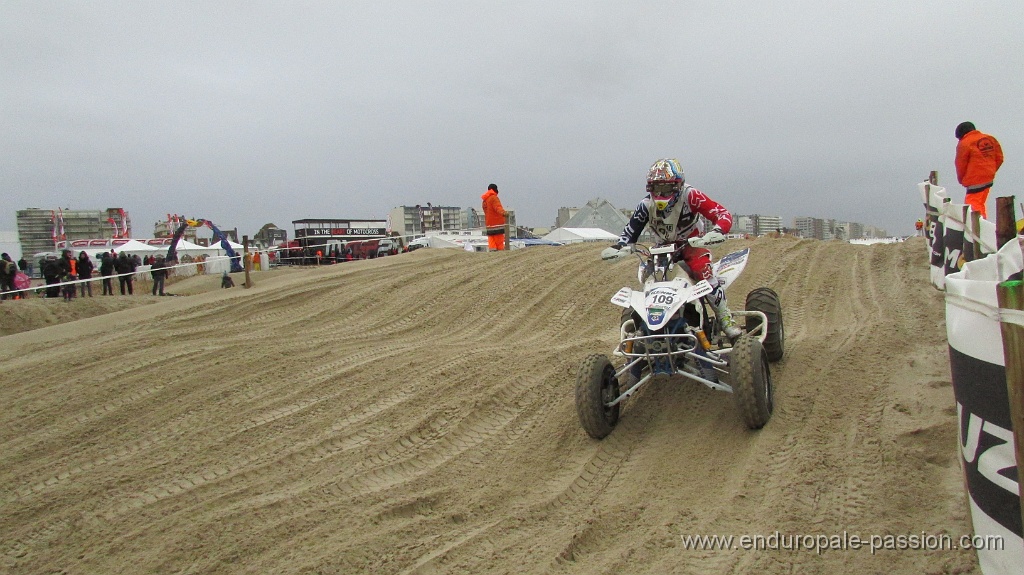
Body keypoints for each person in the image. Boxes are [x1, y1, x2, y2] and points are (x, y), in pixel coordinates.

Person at [604, 158, 742, 338]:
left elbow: (721, 213)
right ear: (649, 188)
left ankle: (725, 319)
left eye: (667, 188)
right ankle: (644, 329)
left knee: (703, 272)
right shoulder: (645, 206)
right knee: (647, 278)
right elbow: (630, 233)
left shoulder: (691, 196)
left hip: (692, 244)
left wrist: (717, 231)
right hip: (662, 250)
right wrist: (619, 247)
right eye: (656, 188)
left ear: (678, 185)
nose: (661, 193)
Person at [955, 121, 1004, 219]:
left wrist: (962, 179)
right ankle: (983, 223)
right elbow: (1000, 158)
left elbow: (960, 164)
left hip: (974, 179)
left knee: (972, 205)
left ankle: (979, 229)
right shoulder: (990, 139)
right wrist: (991, 170)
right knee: (980, 203)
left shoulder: (964, 143)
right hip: (988, 177)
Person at [481, 183, 510, 251]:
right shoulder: (493, 198)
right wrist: (504, 213)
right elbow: (498, 208)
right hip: (497, 224)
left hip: (489, 224)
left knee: (491, 241)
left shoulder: (484, 200)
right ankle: (500, 255)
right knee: (499, 242)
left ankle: (492, 254)